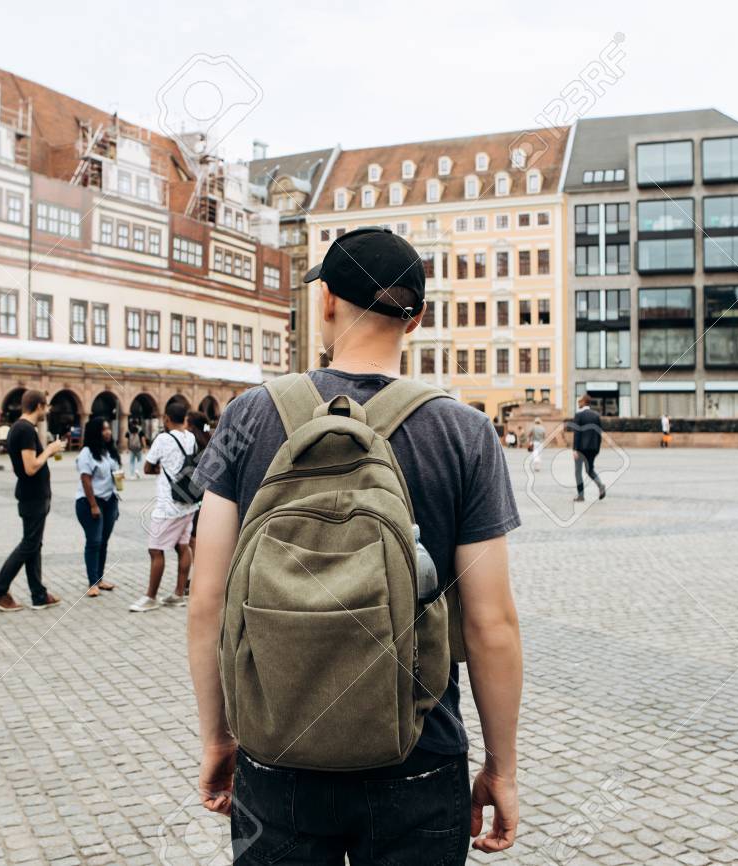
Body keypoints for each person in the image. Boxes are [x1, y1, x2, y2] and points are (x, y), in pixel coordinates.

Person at [187, 227, 523, 862]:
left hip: (277, 751)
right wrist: (501, 769)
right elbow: (491, 623)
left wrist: (220, 738)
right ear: (417, 319)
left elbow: (208, 600)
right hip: (419, 753)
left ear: (327, 304)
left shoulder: (250, 416)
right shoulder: (466, 432)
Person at [0, 390, 64, 612]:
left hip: (32, 494)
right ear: (39, 405)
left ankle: (38, 594)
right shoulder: (25, 430)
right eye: (46, 406)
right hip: (33, 496)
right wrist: (50, 449)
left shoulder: (18, 429)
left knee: (34, 545)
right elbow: (30, 467)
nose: (47, 411)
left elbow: (21, 467)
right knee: (29, 544)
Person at [130, 402, 199, 612]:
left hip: (169, 505)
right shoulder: (191, 437)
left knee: (155, 549)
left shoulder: (163, 438)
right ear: (185, 419)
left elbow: (148, 466)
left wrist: (160, 468)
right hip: (189, 502)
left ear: (167, 419)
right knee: (183, 546)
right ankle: (179, 593)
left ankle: (150, 596)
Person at [75, 417, 120, 597]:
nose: (108, 432)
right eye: (103, 429)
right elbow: (85, 479)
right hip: (90, 502)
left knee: (103, 542)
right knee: (94, 541)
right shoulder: (86, 453)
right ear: (95, 432)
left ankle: (100, 579)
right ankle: (92, 583)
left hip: (110, 501)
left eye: (108, 429)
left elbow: (115, 474)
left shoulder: (107, 452)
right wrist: (94, 505)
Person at [568, 394, 606, 502]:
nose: (578, 403)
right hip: (593, 448)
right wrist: (597, 449)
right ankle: (600, 485)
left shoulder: (579, 415)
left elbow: (577, 433)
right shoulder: (596, 415)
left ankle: (581, 495)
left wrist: (575, 449)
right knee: (590, 470)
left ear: (584, 402)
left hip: (581, 449)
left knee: (578, 472)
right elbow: (599, 434)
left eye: (579, 401)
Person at [185, 411, 212, 561]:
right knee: (199, 535)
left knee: (192, 537)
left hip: (194, 495)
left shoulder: (191, 441)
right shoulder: (211, 440)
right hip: (209, 494)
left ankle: (195, 574)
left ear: (190, 425)